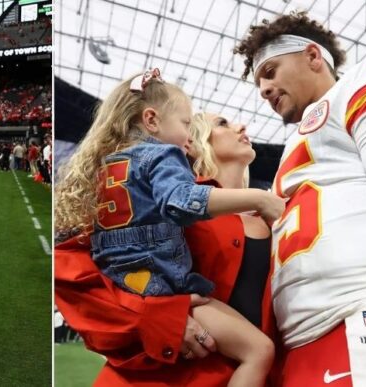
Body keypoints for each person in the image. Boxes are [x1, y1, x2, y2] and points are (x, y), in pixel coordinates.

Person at [55, 68, 284, 386]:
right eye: (219, 123)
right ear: (194, 142)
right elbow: (70, 274)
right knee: (259, 350)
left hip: (241, 371)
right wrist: (152, 317)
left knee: (261, 351)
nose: (242, 126)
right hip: (158, 376)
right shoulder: (158, 189)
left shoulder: (276, 217)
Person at [234, 11, 366, 386]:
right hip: (299, 347)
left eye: (271, 71)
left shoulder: (363, 82)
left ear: (312, 57)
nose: (262, 88)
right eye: (260, 80)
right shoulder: (294, 150)